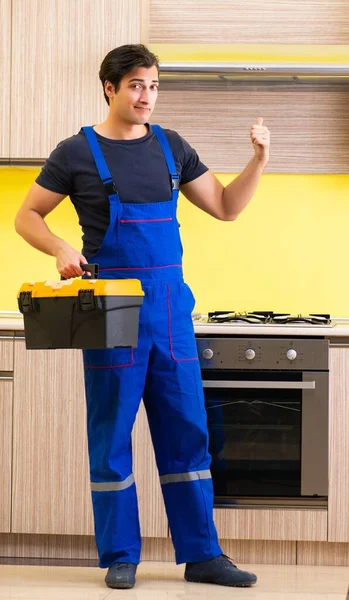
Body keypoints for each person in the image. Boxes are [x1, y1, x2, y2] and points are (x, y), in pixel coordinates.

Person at [15, 44, 270, 590]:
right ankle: (120, 555)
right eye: (135, 85)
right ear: (109, 88)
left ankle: (202, 554)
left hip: (172, 312)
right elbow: (27, 215)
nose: (146, 96)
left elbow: (225, 207)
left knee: (187, 432)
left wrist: (258, 161)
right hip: (112, 311)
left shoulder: (171, 147)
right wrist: (60, 247)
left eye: (152, 85)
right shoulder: (75, 152)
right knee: (111, 434)